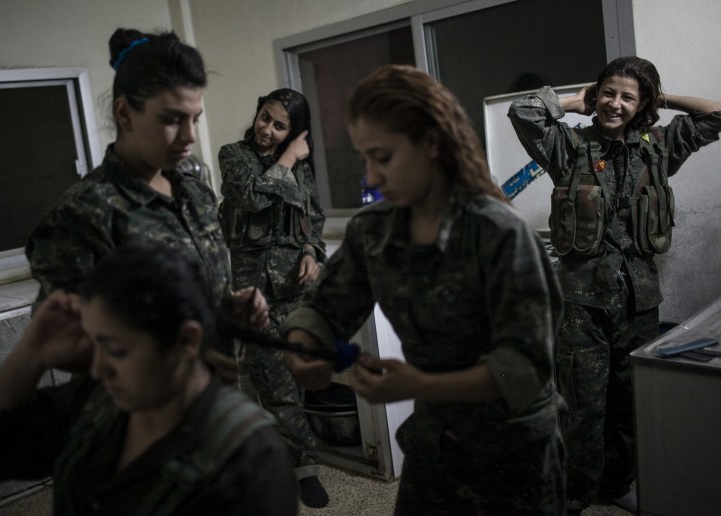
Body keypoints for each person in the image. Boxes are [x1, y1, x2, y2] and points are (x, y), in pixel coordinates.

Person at [282, 64, 566, 515]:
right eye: (364, 159)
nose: (371, 177)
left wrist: (420, 383)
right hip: (435, 443)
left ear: (432, 143)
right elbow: (323, 307)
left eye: (384, 157)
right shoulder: (374, 232)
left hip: (512, 453)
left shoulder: (498, 234)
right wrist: (305, 346)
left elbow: (524, 367)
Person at [507, 56, 721, 513]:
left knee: (630, 400)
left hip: (640, 301)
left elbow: (718, 114)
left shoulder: (660, 146)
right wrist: (574, 100)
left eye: (628, 96)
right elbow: (523, 112)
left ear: (643, 104)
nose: (615, 104)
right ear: (595, 93)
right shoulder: (566, 146)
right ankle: (575, 492)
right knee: (581, 404)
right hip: (580, 303)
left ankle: (617, 481)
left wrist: (659, 98)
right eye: (608, 93)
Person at [0, 242, 299, 515]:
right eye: (94, 345)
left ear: (187, 341)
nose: (97, 368)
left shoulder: (250, 457)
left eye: (116, 350)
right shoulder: (99, 401)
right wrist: (31, 353)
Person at [25, 28, 267, 375]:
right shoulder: (84, 213)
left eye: (194, 119)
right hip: (141, 415)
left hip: (212, 399)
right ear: (125, 114)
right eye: (172, 120)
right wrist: (163, 354)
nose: (189, 137)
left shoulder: (195, 195)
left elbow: (198, 298)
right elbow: (60, 343)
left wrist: (231, 306)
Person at [217, 88, 328, 508]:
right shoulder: (235, 155)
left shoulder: (302, 167)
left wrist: (310, 252)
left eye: (279, 125)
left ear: (293, 130)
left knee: (299, 376)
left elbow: (313, 217)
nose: (267, 129)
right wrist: (287, 157)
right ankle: (305, 470)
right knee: (275, 382)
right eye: (265, 117)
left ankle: (283, 458)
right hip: (256, 293)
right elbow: (250, 195)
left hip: (295, 290)